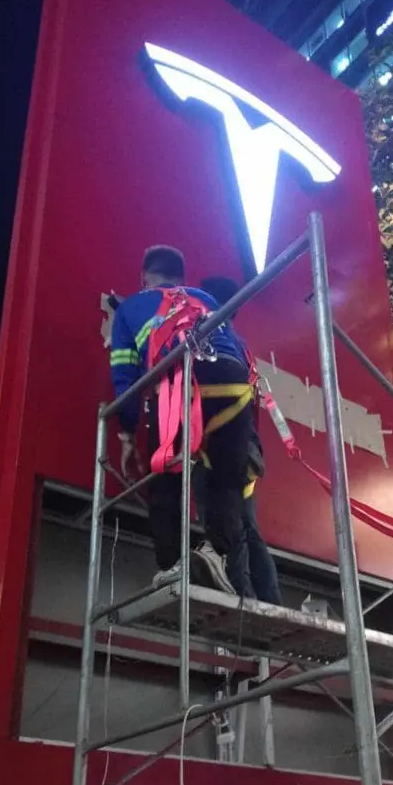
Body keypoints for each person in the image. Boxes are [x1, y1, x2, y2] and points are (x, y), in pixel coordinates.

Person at [109, 246, 254, 593]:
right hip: (234, 389)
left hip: (180, 387)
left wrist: (127, 432)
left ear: (144, 278)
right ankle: (216, 554)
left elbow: (125, 377)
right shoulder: (204, 298)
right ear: (181, 279)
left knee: (165, 480)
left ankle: (173, 565)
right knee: (226, 478)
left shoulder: (130, 308)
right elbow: (236, 348)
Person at [197, 277, 284, 606]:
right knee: (246, 525)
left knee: (229, 521)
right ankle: (267, 600)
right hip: (244, 444)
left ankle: (242, 595)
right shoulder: (237, 343)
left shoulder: (213, 337)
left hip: (228, 444)